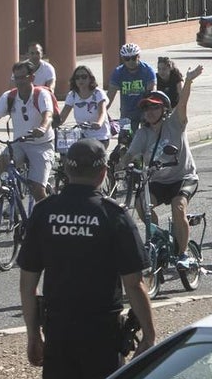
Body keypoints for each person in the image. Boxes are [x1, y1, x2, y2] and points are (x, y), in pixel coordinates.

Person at [18, 137, 155, 379]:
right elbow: (135, 284)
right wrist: (149, 336)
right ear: (103, 172)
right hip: (101, 334)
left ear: (65, 172)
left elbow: (28, 282)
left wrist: (33, 333)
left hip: (59, 332)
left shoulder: (45, 212)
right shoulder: (113, 214)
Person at [120, 66, 202, 257]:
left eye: (155, 106)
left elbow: (182, 104)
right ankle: (157, 238)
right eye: (147, 107)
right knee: (141, 205)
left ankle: (183, 255)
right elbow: (131, 154)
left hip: (183, 177)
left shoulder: (175, 123)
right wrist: (123, 165)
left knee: (178, 206)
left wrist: (188, 81)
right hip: (157, 180)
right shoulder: (143, 133)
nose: (150, 111)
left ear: (164, 109)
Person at [0, 60, 56, 202]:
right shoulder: (9, 96)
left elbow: (48, 115)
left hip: (41, 145)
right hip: (19, 143)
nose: (18, 81)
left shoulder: (41, 94)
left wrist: (42, 128)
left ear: (31, 77)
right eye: (16, 78)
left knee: (37, 189)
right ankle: (11, 195)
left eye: (22, 77)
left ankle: (45, 218)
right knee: (2, 161)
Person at [107, 43, 157, 133]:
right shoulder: (118, 72)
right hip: (127, 113)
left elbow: (152, 94)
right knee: (124, 138)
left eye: (134, 58)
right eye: (127, 59)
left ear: (139, 56)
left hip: (144, 110)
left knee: (147, 136)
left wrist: (150, 113)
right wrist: (102, 110)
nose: (131, 61)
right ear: (123, 59)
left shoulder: (148, 70)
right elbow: (109, 97)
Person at [62, 65, 111, 144]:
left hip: (100, 136)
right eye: (77, 77)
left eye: (84, 77)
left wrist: (99, 123)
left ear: (90, 78)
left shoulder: (98, 93)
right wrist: (53, 123)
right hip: (81, 135)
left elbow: (102, 112)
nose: (80, 80)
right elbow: (63, 115)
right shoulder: (72, 95)